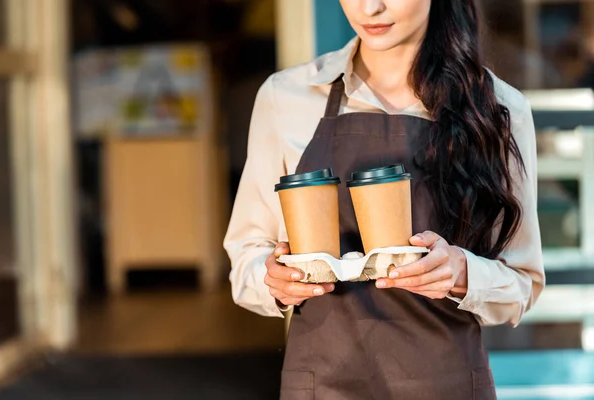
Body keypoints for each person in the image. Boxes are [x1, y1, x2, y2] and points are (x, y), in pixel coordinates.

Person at [224, 0, 545, 398]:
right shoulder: (285, 98)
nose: (369, 8)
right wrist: (273, 280)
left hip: (445, 385)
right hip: (322, 386)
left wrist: (460, 272)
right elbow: (246, 260)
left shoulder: (496, 109)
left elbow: (522, 283)